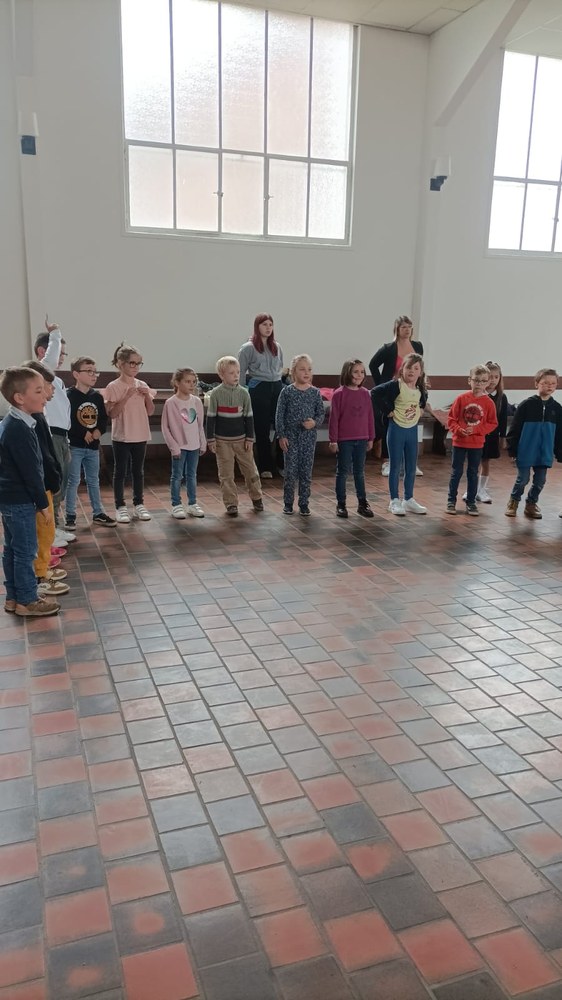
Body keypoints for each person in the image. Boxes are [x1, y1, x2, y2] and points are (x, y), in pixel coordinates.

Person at [0, 366, 60, 617]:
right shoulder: (19, 429)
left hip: (10, 498)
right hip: (20, 500)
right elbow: (31, 472)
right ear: (19, 398)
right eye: (38, 391)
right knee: (25, 551)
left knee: (12, 549)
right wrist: (43, 505)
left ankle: (13, 597)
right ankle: (27, 600)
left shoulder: (15, 422)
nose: (45, 395)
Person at [20, 361, 69, 598]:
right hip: (41, 486)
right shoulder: (31, 419)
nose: (50, 391)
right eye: (45, 387)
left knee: (46, 532)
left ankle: (43, 569)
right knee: (41, 532)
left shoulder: (38, 415)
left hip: (45, 484)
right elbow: (42, 456)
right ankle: (40, 575)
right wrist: (53, 480)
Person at [103, 343, 156, 524]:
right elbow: (112, 414)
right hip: (122, 436)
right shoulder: (113, 386)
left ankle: (139, 503)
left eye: (139, 363)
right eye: (132, 363)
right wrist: (126, 396)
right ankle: (120, 506)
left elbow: (150, 411)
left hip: (140, 434)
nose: (135, 367)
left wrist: (147, 395)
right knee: (120, 472)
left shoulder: (142, 385)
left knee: (138, 471)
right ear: (121, 363)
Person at [34, 318, 74, 546]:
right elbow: (48, 361)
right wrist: (55, 333)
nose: (62, 357)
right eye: (60, 352)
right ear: (43, 351)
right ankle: (50, 531)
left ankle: (55, 526)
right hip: (51, 435)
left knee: (62, 482)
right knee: (53, 483)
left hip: (62, 436)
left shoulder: (56, 380)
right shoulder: (39, 373)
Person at [371, 353, 428, 516]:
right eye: (408, 367)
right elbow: (374, 393)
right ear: (402, 369)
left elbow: (422, 400)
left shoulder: (420, 388)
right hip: (396, 429)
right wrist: (388, 411)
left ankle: (408, 499)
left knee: (411, 466)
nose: (412, 371)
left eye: (416, 368)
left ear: (420, 372)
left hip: (412, 430)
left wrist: (421, 408)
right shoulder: (395, 385)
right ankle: (394, 500)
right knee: (395, 466)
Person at [206, 356, 263, 517]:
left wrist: (250, 438)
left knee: (250, 470)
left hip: (242, 441)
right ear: (221, 375)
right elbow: (210, 419)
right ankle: (231, 503)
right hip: (222, 442)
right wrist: (211, 439)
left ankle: (257, 498)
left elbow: (249, 418)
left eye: (238, 372)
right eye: (231, 373)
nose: (236, 375)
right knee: (226, 474)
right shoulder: (215, 394)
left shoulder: (244, 394)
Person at [369, 315, 424, 477]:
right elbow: (373, 365)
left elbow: (420, 367)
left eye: (409, 327)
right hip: (394, 391)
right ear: (397, 329)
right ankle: (387, 461)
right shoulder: (389, 348)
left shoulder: (417, 346)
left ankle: (410, 462)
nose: (407, 330)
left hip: (411, 390)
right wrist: (382, 383)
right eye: (403, 327)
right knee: (390, 424)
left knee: (410, 422)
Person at [65, 357, 116, 529]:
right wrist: (83, 432)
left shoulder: (97, 396)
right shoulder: (69, 396)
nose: (94, 375)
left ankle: (98, 513)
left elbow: (102, 419)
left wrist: (98, 431)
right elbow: (68, 420)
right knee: (73, 480)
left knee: (93, 480)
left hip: (93, 446)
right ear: (76, 374)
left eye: (95, 372)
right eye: (89, 371)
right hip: (75, 446)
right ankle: (70, 515)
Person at [505, 368, 562, 519]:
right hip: (525, 451)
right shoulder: (526, 405)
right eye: (545, 383)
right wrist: (512, 450)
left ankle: (531, 503)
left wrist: (559, 451)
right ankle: (513, 501)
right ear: (537, 384)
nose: (549, 386)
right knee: (523, 480)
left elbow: (559, 433)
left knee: (540, 481)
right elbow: (514, 429)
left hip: (544, 453)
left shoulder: (557, 408)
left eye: (553, 383)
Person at [276, 354, 325, 517]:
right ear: (293, 372)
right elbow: (279, 415)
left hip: (308, 439)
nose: (306, 372)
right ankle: (288, 503)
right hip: (290, 438)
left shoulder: (315, 393)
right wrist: (281, 435)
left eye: (309, 369)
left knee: (306, 473)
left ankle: (304, 503)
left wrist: (314, 423)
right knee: (290, 472)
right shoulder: (286, 392)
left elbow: (321, 414)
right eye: (302, 369)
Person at [446, 365, 498, 516]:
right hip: (459, 442)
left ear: (487, 383)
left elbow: (492, 423)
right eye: (476, 380)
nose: (479, 384)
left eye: (483, 381)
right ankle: (451, 501)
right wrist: (458, 430)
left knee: (473, 473)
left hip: (476, 444)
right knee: (456, 472)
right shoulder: (461, 399)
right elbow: (451, 419)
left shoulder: (489, 403)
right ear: (470, 380)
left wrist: (476, 430)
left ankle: (471, 502)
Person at [238, 314, 284, 479]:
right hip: (259, 388)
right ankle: (265, 466)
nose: (268, 327)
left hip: (277, 386)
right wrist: (242, 393)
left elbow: (280, 367)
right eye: (264, 324)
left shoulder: (277, 347)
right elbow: (241, 372)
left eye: (270, 324)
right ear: (257, 326)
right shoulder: (248, 348)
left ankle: (281, 463)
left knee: (281, 426)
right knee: (262, 428)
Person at [328, 359, 374, 519]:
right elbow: (334, 419)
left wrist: (371, 437)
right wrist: (333, 440)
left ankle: (362, 503)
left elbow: (370, 417)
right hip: (344, 440)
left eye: (362, 372)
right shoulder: (339, 394)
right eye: (356, 371)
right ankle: (341, 504)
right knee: (342, 472)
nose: (359, 375)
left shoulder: (366, 394)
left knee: (359, 472)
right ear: (347, 373)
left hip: (362, 439)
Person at [162, 367, 206, 519]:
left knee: (192, 475)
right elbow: (165, 427)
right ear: (177, 382)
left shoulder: (197, 402)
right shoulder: (171, 403)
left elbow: (200, 424)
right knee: (177, 476)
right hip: (179, 447)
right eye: (187, 381)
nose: (191, 385)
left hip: (194, 446)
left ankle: (192, 504)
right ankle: (176, 505)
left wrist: (202, 441)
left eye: (194, 382)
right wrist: (174, 446)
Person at [462, 360, 508, 504]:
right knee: (473, 463)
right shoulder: (476, 395)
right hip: (476, 434)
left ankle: (481, 490)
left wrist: (502, 437)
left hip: (491, 435)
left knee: (486, 461)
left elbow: (502, 419)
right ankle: (471, 489)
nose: (493, 380)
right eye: (490, 377)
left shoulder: (501, 397)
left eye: (496, 377)